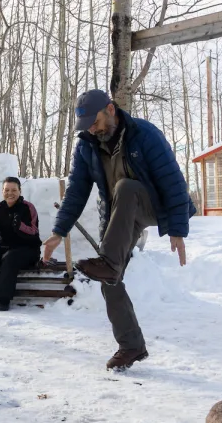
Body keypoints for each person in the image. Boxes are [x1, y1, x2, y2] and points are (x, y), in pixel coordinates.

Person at [43, 90, 195, 371]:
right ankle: (131, 345)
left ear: (110, 110)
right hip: (118, 213)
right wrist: (59, 231)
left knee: (126, 187)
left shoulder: (144, 134)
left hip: (150, 203)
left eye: (95, 121)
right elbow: (76, 191)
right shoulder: (86, 146)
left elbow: (173, 181)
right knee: (108, 277)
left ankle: (109, 264)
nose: (92, 128)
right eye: (86, 124)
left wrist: (177, 229)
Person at [0, 177, 41, 312]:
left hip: (29, 250)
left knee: (11, 257)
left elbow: (34, 232)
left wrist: (20, 226)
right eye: (7, 190)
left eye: (14, 190)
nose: (10, 193)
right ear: (2, 191)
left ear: (20, 191)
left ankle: (4, 299)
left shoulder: (28, 207)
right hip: (6, 248)